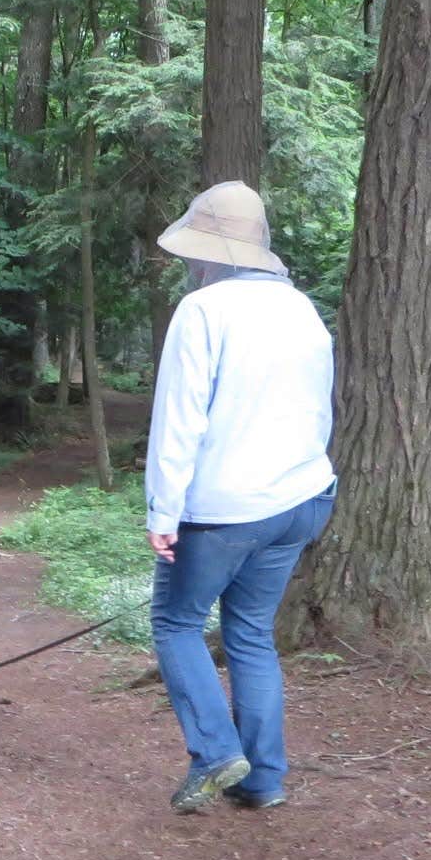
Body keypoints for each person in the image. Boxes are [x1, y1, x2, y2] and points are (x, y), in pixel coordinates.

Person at [145, 181, 336, 814]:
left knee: (175, 622)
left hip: (225, 509)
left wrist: (162, 512)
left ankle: (217, 752)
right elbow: (317, 409)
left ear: (215, 253)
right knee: (251, 632)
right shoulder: (301, 309)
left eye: (195, 251)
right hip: (301, 499)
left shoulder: (202, 311)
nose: (189, 263)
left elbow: (180, 420)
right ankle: (262, 781)